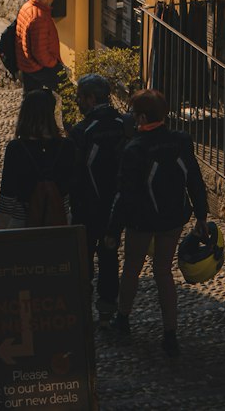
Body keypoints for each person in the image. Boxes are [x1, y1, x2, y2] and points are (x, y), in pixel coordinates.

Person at [105, 88, 208, 358]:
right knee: (163, 271)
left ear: (140, 117)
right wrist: (201, 215)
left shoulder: (134, 148)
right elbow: (194, 178)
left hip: (142, 219)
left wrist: (112, 231)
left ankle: (123, 318)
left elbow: (124, 194)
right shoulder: (180, 141)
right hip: (173, 218)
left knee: (132, 267)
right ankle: (170, 334)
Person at [69, 73, 129, 318]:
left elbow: (73, 175)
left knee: (82, 261)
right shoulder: (124, 124)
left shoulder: (82, 131)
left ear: (91, 99)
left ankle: (81, 309)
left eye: (79, 98)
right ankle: (107, 311)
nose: (77, 102)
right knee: (109, 257)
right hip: (116, 207)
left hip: (86, 207)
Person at [0, 88, 77, 229]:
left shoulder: (16, 148)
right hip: (59, 221)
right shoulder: (67, 146)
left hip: (22, 223)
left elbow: (8, 196)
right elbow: (72, 188)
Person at [15, 0, 65, 93]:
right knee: (67, 91)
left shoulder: (27, 7)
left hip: (26, 63)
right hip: (37, 66)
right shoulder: (39, 17)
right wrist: (54, 63)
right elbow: (40, 52)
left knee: (31, 96)